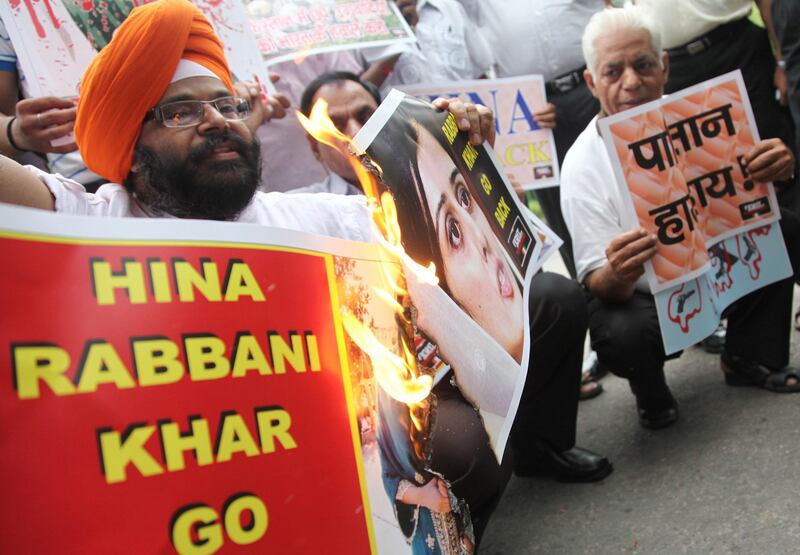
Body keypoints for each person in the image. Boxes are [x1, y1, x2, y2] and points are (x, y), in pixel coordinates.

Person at [0, 0, 609, 549]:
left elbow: (436, 231)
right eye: (181, 112)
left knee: (462, 441)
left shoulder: (319, 216)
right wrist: (10, 133)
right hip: (187, 475)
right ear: (131, 150)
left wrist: (451, 144)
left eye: (226, 105)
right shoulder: (92, 218)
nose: (216, 120)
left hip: (333, 443)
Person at [560, 6, 800, 431]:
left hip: (719, 269)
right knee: (621, 328)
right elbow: (595, 279)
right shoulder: (581, 164)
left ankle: (749, 356)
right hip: (645, 295)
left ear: (665, 66)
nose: (631, 82)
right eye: (613, 71)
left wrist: (780, 168)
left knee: (783, 229)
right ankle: (649, 388)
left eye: (644, 64)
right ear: (591, 82)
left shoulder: (709, 115)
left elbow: (757, 197)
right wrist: (617, 272)